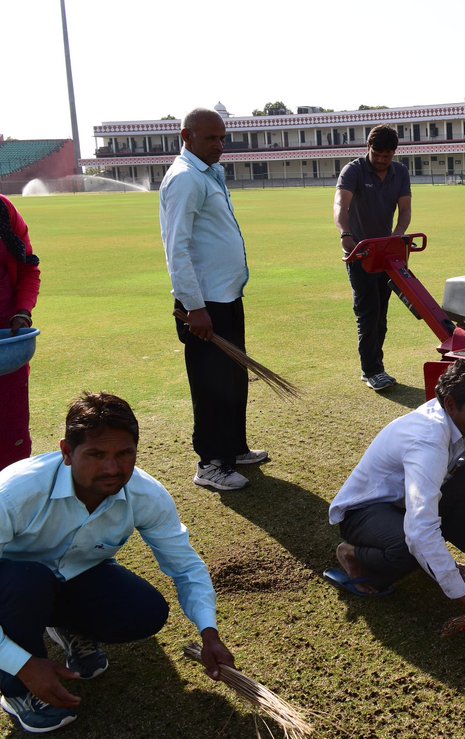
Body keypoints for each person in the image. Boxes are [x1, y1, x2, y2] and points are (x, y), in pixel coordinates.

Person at [0, 392, 235, 734]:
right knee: (27, 582)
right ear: (67, 452)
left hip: (73, 577)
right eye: (96, 454)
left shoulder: (146, 494)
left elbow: (185, 565)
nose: (113, 468)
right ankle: (16, 691)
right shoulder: (14, 494)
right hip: (12, 586)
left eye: (125, 454)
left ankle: (68, 627)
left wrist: (208, 631)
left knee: (145, 610)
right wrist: (21, 665)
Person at [325, 360, 465, 626]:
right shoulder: (427, 440)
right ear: (451, 405)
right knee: (409, 546)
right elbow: (420, 529)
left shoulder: (456, 418)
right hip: (363, 513)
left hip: (403, 505)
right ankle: (353, 554)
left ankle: (430, 559)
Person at [160, 108, 268, 492]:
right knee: (210, 384)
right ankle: (210, 463)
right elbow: (178, 249)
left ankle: (233, 448)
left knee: (233, 379)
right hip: (203, 305)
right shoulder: (186, 179)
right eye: (211, 138)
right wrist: (194, 307)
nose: (220, 145)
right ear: (186, 136)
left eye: (223, 137)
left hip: (225, 297)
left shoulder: (209, 173)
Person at [334, 125, 412, 392]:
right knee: (368, 312)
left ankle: (376, 365)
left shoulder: (400, 172)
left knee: (382, 313)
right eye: (376, 154)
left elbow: (404, 209)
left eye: (386, 156)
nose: (380, 160)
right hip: (360, 251)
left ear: (394, 154)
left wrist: (397, 237)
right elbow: (340, 204)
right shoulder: (353, 170)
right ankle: (371, 370)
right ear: (368, 148)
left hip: (386, 253)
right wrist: (345, 234)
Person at [0, 195, 40, 471]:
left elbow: (28, 267)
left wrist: (23, 312)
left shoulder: (3, 210)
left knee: (12, 438)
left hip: (7, 348)